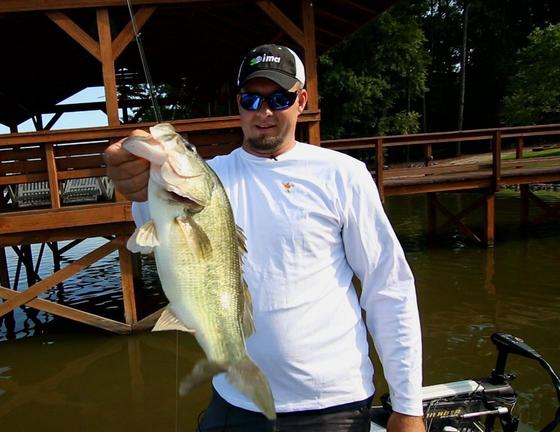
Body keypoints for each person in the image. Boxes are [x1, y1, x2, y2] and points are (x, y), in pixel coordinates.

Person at [104, 44, 425, 432]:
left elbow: (388, 288)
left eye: (279, 98)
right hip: (235, 401)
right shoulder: (209, 178)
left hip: (333, 405)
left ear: (301, 100)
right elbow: (151, 223)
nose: (264, 111)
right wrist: (134, 181)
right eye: (250, 98)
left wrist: (408, 407)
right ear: (238, 103)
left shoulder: (344, 174)